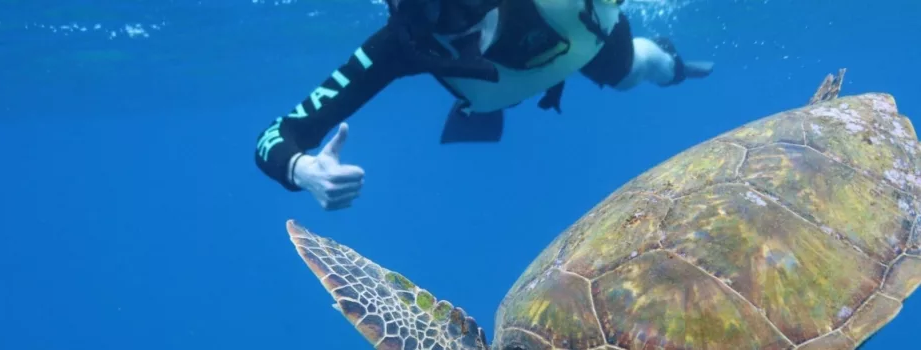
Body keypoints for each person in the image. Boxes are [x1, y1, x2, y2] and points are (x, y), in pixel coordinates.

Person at [254, 0, 714, 210]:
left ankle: (673, 65)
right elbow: (278, 134)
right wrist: (302, 170)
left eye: (468, 4)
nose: (452, 26)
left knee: (637, 69)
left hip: (583, 43)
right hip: (497, 90)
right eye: (425, 11)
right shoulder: (399, 45)